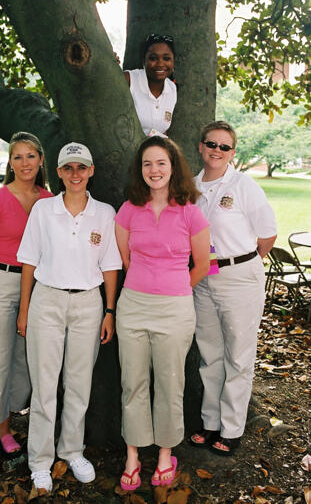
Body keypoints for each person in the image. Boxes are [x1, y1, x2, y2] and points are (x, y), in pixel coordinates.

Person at [16, 142, 122, 494]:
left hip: (88, 304)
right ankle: (40, 461)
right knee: (45, 386)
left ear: (91, 171)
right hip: (47, 300)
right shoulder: (44, 210)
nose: (75, 174)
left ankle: (72, 450)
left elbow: (109, 265)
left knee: (79, 383)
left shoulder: (105, 213)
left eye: (82, 167)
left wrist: (109, 311)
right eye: (68, 168)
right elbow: (29, 260)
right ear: (59, 172)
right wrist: (24, 309)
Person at [115, 136, 210, 490]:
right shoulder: (128, 209)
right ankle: (133, 455)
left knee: (170, 383)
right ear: (140, 171)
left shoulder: (190, 212)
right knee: (133, 382)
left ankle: (166, 453)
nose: (154, 170)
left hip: (175, 308)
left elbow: (202, 264)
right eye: (147, 164)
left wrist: (174, 287)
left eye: (160, 163)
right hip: (133, 306)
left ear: (173, 167)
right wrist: (146, 281)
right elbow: (125, 259)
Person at [190, 121, 277, 456]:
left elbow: (267, 234)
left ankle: (232, 428)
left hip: (240, 277)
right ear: (201, 147)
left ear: (232, 153)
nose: (217, 151)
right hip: (203, 278)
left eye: (225, 147)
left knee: (238, 356)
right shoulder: (192, 187)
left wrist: (239, 264)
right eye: (211, 144)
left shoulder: (243, 185)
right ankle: (210, 422)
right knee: (210, 354)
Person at [0, 131, 52, 476]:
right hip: (1, 283)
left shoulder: (49, 200)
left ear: (40, 160)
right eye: (18, 157)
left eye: (30, 156)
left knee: (21, 365)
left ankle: (5, 427)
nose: (24, 163)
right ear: (10, 162)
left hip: (35, 286)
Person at [124, 34, 177, 136]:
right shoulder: (129, 80)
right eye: (153, 58)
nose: (160, 63)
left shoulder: (172, 88)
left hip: (153, 149)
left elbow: (161, 130)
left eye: (166, 58)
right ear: (144, 61)